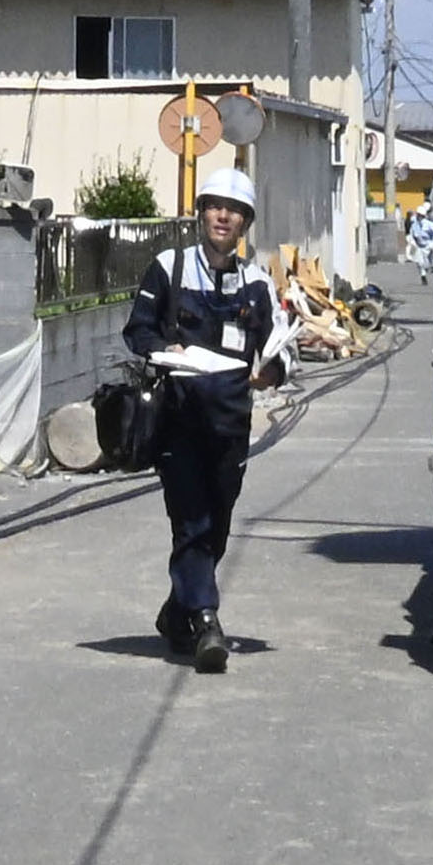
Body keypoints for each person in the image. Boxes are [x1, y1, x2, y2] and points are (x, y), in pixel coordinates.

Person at [122, 165, 288, 672]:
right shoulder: (168, 269)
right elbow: (138, 332)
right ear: (201, 214)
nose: (223, 216)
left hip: (231, 426)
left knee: (216, 526)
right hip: (178, 420)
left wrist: (270, 372)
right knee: (191, 520)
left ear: (245, 223)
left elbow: (280, 353)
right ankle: (207, 621)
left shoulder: (257, 284)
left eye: (233, 211)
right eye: (215, 206)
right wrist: (164, 350)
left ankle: (178, 614)